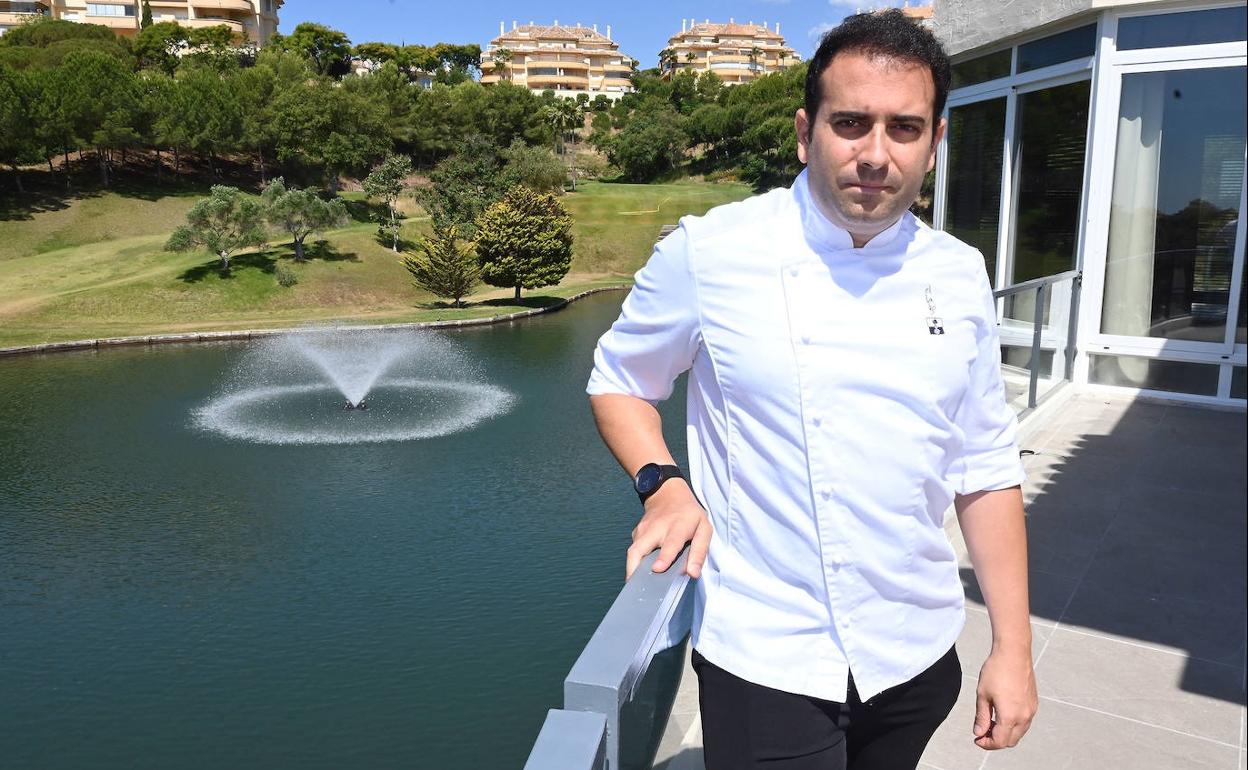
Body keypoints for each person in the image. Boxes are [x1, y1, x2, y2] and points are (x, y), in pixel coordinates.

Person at [585, 10, 1037, 770]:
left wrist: (1014, 649)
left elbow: (986, 466)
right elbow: (621, 380)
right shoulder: (712, 252)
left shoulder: (958, 273)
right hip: (767, 660)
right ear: (806, 132)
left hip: (915, 651)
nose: (875, 153)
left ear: (935, 143)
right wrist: (662, 484)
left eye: (904, 128)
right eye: (851, 122)